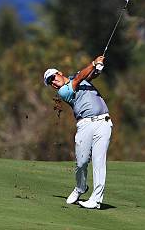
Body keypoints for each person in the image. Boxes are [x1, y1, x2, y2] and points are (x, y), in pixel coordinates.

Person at [43, 55, 112, 209]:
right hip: (85, 125)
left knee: (99, 161)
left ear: (59, 73)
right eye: (50, 82)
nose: (53, 83)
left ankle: (96, 200)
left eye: (53, 78)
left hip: (104, 122)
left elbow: (90, 75)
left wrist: (98, 67)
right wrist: (93, 63)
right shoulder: (63, 92)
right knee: (81, 163)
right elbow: (80, 78)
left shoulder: (77, 79)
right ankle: (81, 187)